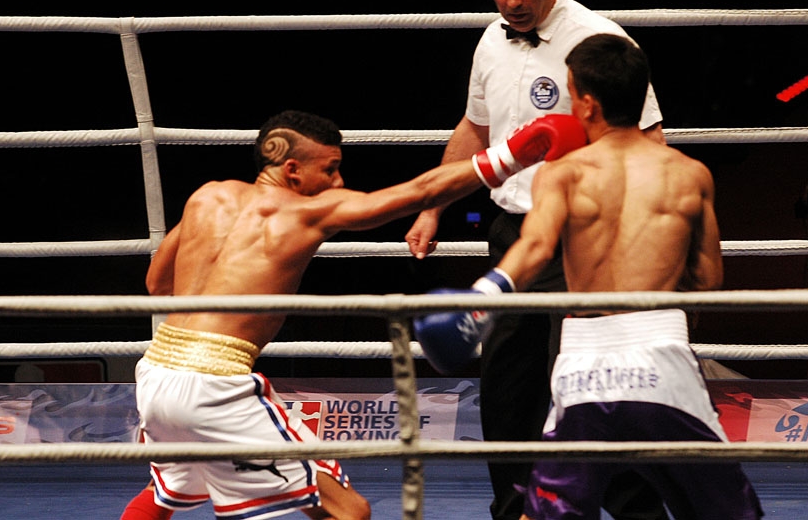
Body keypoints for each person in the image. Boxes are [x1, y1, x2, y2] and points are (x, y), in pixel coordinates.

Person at [120, 108, 587, 520]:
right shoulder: (307, 212)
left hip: (156, 374)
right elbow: (416, 192)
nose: (339, 182)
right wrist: (511, 154)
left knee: (167, 491)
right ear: (291, 169)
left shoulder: (205, 196)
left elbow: (157, 284)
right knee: (350, 510)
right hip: (217, 386)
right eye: (332, 169)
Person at [414, 34, 764, 519]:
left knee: (551, 509)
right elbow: (707, 278)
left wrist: (479, 302)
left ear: (586, 101)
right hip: (662, 354)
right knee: (726, 510)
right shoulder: (690, 174)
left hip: (583, 366)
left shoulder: (563, 173)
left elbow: (534, 248)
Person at [404, 0, 666, 519]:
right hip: (514, 234)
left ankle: (633, 513)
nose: (512, 0)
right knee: (507, 387)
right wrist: (433, 206)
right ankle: (519, 512)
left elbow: (651, 143)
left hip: (589, 241)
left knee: (595, 390)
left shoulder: (600, 40)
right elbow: (475, 129)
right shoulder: (490, 43)